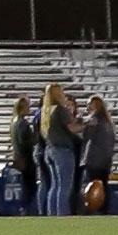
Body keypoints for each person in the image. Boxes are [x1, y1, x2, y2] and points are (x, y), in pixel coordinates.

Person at [38, 83, 80, 216]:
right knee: (64, 186)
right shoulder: (60, 110)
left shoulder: (46, 111)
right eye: (61, 91)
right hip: (62, 150)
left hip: (49, 149)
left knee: (54, 186)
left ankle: (52, 214)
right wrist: (86, 125)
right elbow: (72, 128)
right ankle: (62, 215)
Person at [83, 93, 117, 214]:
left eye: (88, 105)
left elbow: (85, 137)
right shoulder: (109, 123)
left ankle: (93, 210)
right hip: (106, 160)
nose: (86, 108)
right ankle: (104, 211)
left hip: (94, 160)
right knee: (104, 187)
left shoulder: (94, 120)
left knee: (92, 188)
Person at [10, 95, 40, 215]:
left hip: (19, 158)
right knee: (29, 186)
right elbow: (25, 142)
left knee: (25, 185)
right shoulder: (23, 123)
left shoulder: (14, 122)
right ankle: (27, 210)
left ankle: (24, 209)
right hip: (26, 158)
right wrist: (36, 137)